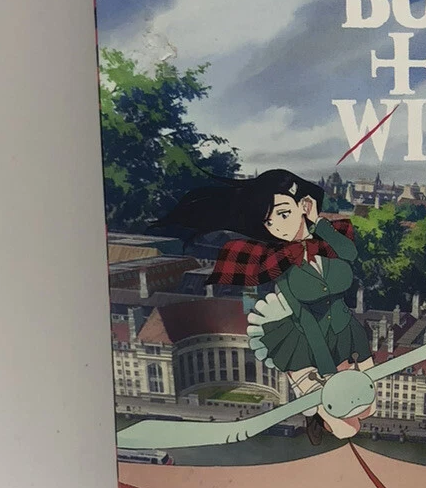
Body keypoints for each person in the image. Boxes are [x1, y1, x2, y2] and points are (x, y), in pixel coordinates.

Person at [156, 168, 373, 443]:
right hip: (309, 341)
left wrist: (318, 222)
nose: (278, 227)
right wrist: (327, 371)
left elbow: (350, 253)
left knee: (367, 409)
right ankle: (315, 405)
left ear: (304, 205)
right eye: (269, 222)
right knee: (345, 426)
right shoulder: (282, 266)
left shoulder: (328, 242)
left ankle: (323, 407)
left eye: (283, 214)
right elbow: (306, 320)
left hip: (346, 332)